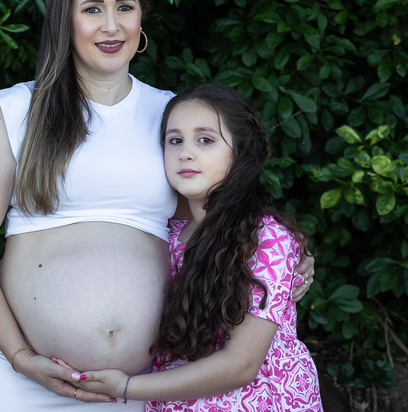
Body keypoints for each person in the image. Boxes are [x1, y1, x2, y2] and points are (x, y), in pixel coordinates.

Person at [0, 0, 315, 410]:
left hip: (137, 386)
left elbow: (222, 215)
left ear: (141, 20)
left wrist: (286, 253)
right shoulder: (18, 111)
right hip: (19, 378)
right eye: (92, 9)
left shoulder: (172, 117)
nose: (111, 25)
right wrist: (20, 356)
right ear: (65, 20)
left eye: (124, 7)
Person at [69, 84, 322, 411]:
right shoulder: (167, 233)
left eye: (205, 140)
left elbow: (241, 364)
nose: (186, 153)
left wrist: (127, 387)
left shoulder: (265, 238)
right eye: (175, 141)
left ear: (241, 151)